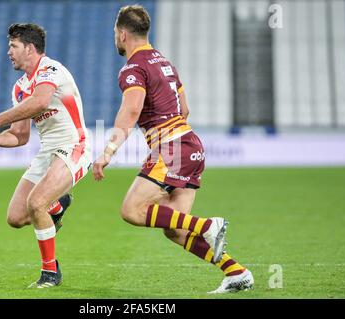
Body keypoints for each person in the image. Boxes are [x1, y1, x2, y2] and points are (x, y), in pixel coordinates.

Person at [92, 5, 254, 294]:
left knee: (132, 210)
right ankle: (236, 272)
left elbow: (131, 111)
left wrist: (107, 152)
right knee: (176, 228)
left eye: (115, 34)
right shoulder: (164, 62)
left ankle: (207, 225)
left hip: (172, 149)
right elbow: (185, 109)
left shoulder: (133, 68)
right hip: (191, 145)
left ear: (122, 33)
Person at [0, 23, 91, 288]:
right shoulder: (19, 87)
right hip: (48, 151)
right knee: (16, 218)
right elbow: (20, 136)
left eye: (13, 46)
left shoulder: (51, 69)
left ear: (30, 48)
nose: (8, 52)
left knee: (36, 203)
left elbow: (40, 102)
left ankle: (50, 273)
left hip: (73, 146)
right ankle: (58, 205)